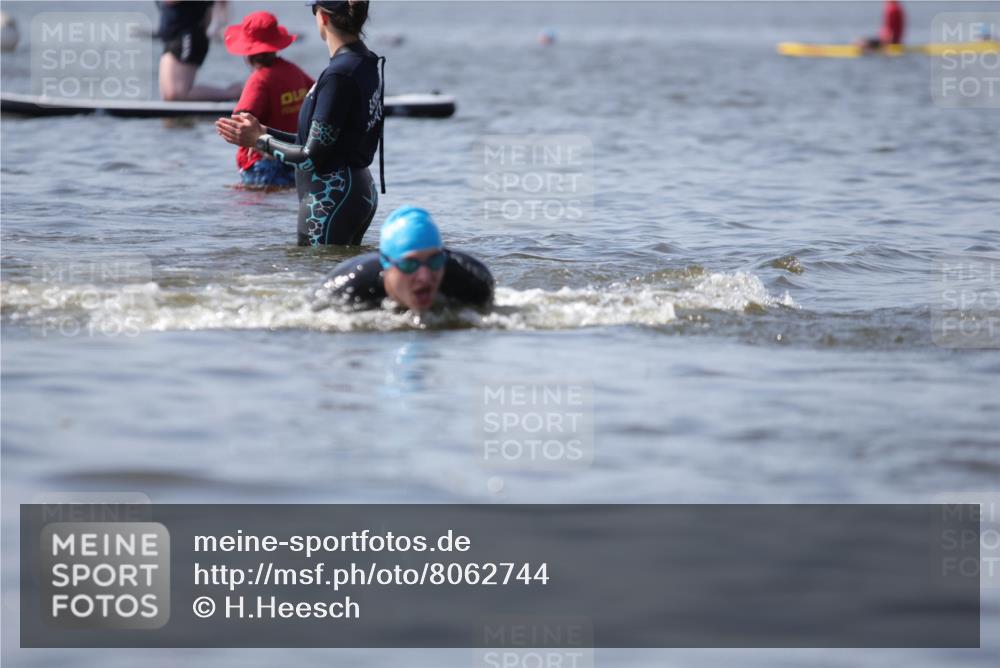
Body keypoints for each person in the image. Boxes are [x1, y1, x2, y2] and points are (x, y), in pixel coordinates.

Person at [215, 0, 385, 246]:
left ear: (323, 18)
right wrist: (265, 132)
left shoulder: (338, 75)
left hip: (329, 198)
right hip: (357, 189)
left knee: (313, 278)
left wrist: (259, 141)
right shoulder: (365, 62)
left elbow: (310, 156)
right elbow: (322, 141)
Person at [312, 206, 494, 313]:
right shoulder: (347, 288)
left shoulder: (473, 282)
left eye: (435, 261)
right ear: (386, 264)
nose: (424, 276)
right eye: (410, 264)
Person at [224, 12, 314, 188]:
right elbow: (317, 93)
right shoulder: (293, 71)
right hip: (292, 159)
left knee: (248, 205)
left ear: (248, 54)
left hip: (262, 164)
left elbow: (241, 120)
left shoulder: (259, 80)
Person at [157, 1, 241, 101]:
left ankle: (235, 93)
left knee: (177, 94)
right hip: (174, 37)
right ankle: (234, 93)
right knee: (168, 95)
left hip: (186, 37)